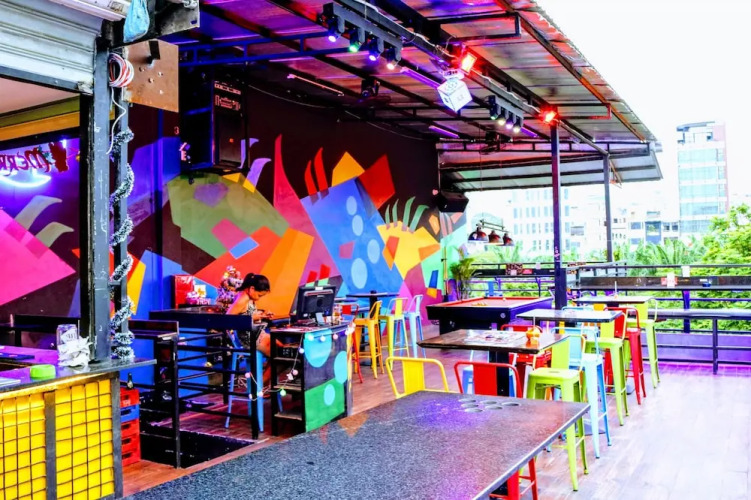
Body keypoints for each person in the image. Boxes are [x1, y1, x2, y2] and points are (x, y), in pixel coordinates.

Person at [226, 273, 275, 386]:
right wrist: (253, 317)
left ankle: (261, 383)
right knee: (282, 354)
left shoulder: (248, 297)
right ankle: (259, 385)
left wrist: (262, 314)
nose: (259, 298)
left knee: (283, 350)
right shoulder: (242, 299)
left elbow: (246, 314)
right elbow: (228, 320)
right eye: (259, 295)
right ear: (252, 289)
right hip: (249, 338)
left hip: (256, 334)